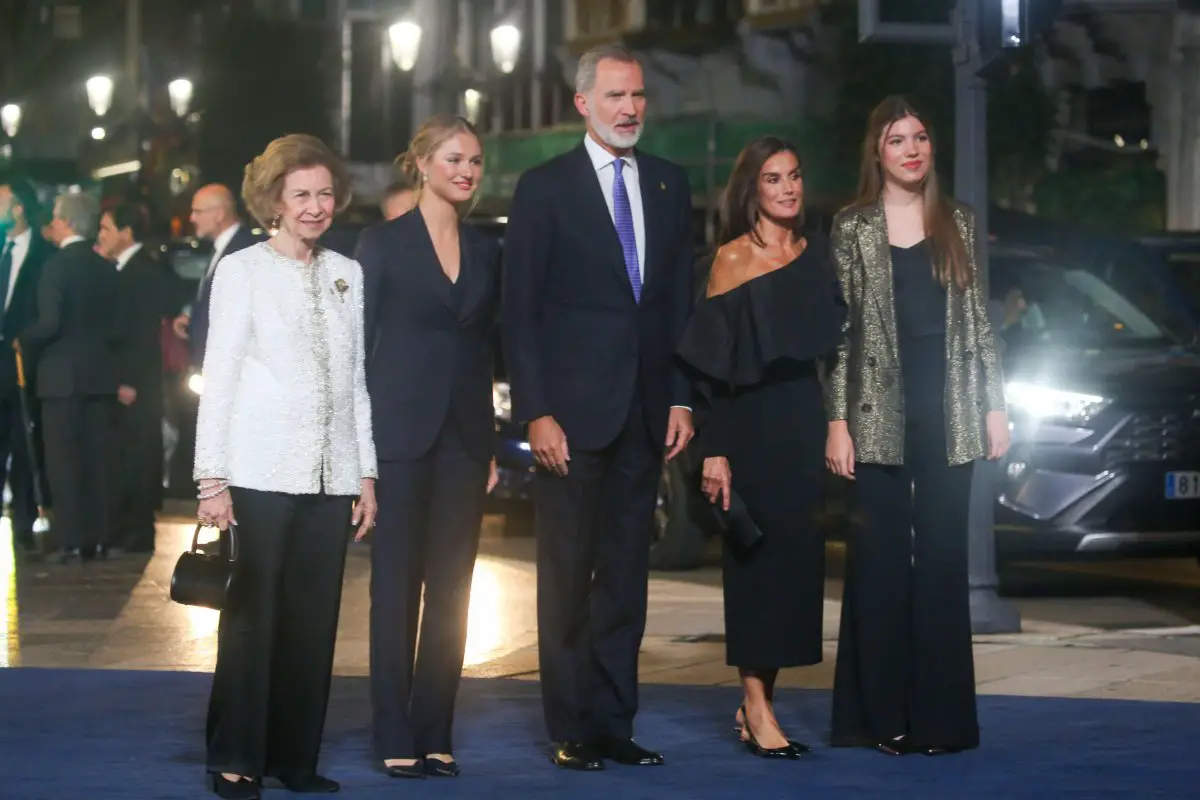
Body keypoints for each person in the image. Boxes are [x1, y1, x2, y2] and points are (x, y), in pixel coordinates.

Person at [502, 43, 695, 771]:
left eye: (639, 95)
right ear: (583, 103)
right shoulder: (543, 187)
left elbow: (677, 305)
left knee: (625, 582)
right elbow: (519, 313)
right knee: (567, 577)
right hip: (570, 422)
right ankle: (572, 727)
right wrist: (537, 411)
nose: (631, 109)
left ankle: (617, 723)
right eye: (616, 96)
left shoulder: (671, 186)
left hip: (647, 416)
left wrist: (681, 397)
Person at [193, 134, 377, 799]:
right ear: (272, 200)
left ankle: (295, 758)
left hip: (330, 482)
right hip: (258, 474)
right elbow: (221, 378)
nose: (316, 206)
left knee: (312, 624)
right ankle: (236, 757)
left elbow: (355, 382)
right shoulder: (242, 270)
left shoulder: (347, 274)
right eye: (301, 194)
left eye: (325, 193)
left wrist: (365, 474)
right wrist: (211, 479)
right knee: (251, 623)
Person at [824, 95, 1010, 756]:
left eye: (921, 137)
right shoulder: (852, 228)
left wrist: (994, 404)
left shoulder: (958, 220)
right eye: (898, 139)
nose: (911, 148)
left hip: (950, 407)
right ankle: (875, 718)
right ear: (877, 151)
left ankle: (943, 723)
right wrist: (837, 420)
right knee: (875, 565)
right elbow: (841, 334)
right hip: (876, 411)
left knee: (940, 564)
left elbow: (981, 325)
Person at [675, 137, 845, 759]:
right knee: (752, 560)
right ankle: (756, 704)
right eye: (774, 179)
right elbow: (709, 369)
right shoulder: (728, 260)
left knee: (794, 564)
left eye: (795, 176)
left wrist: (835, 422)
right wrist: (714, 450)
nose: (789, 188)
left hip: (800, 419)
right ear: (752, 189)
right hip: (744, 427)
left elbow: (830, 352)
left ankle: (759, 699)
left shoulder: (814, 255)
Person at [357, 114, 500, 779]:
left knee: (452, 591)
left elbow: (485, 351)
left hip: (467, 441)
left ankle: (435, 731)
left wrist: (492, 442)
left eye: (474, 160)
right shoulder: (380, 246)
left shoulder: (487, 251)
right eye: (454, 159)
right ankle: (392, 729)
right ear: (420, 164)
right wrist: (359, 459)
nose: (467, 171)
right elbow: (357, 355)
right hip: (397, 439)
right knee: (395, 588)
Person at [16, 192, 121, 564]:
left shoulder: (55, 267)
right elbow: (116, 326)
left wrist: (22, 339)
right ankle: (99, 537)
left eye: (58, 218)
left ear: (68, 223)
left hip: (60, 378)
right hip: (100, 377)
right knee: (98, 461)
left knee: (64, 461)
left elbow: (50, 323)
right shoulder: (107, 268)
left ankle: (72, 539)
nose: (54, 224)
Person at [96, 202, 179, 554]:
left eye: (105, 228)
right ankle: (127, 531)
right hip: (130, 381)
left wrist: (128, 380)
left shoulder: (141, 271)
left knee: (136, 458)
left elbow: (141, 335)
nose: (100, 236)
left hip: (137, 384)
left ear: (126, 232)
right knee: (126, 457)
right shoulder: (126, 269)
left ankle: (136, 534)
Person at [0, 180, 53, 560]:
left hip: (22, 369)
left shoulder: (45, 256)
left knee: (22, 447)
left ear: (17, 208)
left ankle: (22, 527)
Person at [172, 183, 264, 363]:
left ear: (219, 214)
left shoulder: (246, 250)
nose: (192, 218)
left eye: (198, 211)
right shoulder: (221, 248)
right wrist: (191, 315)